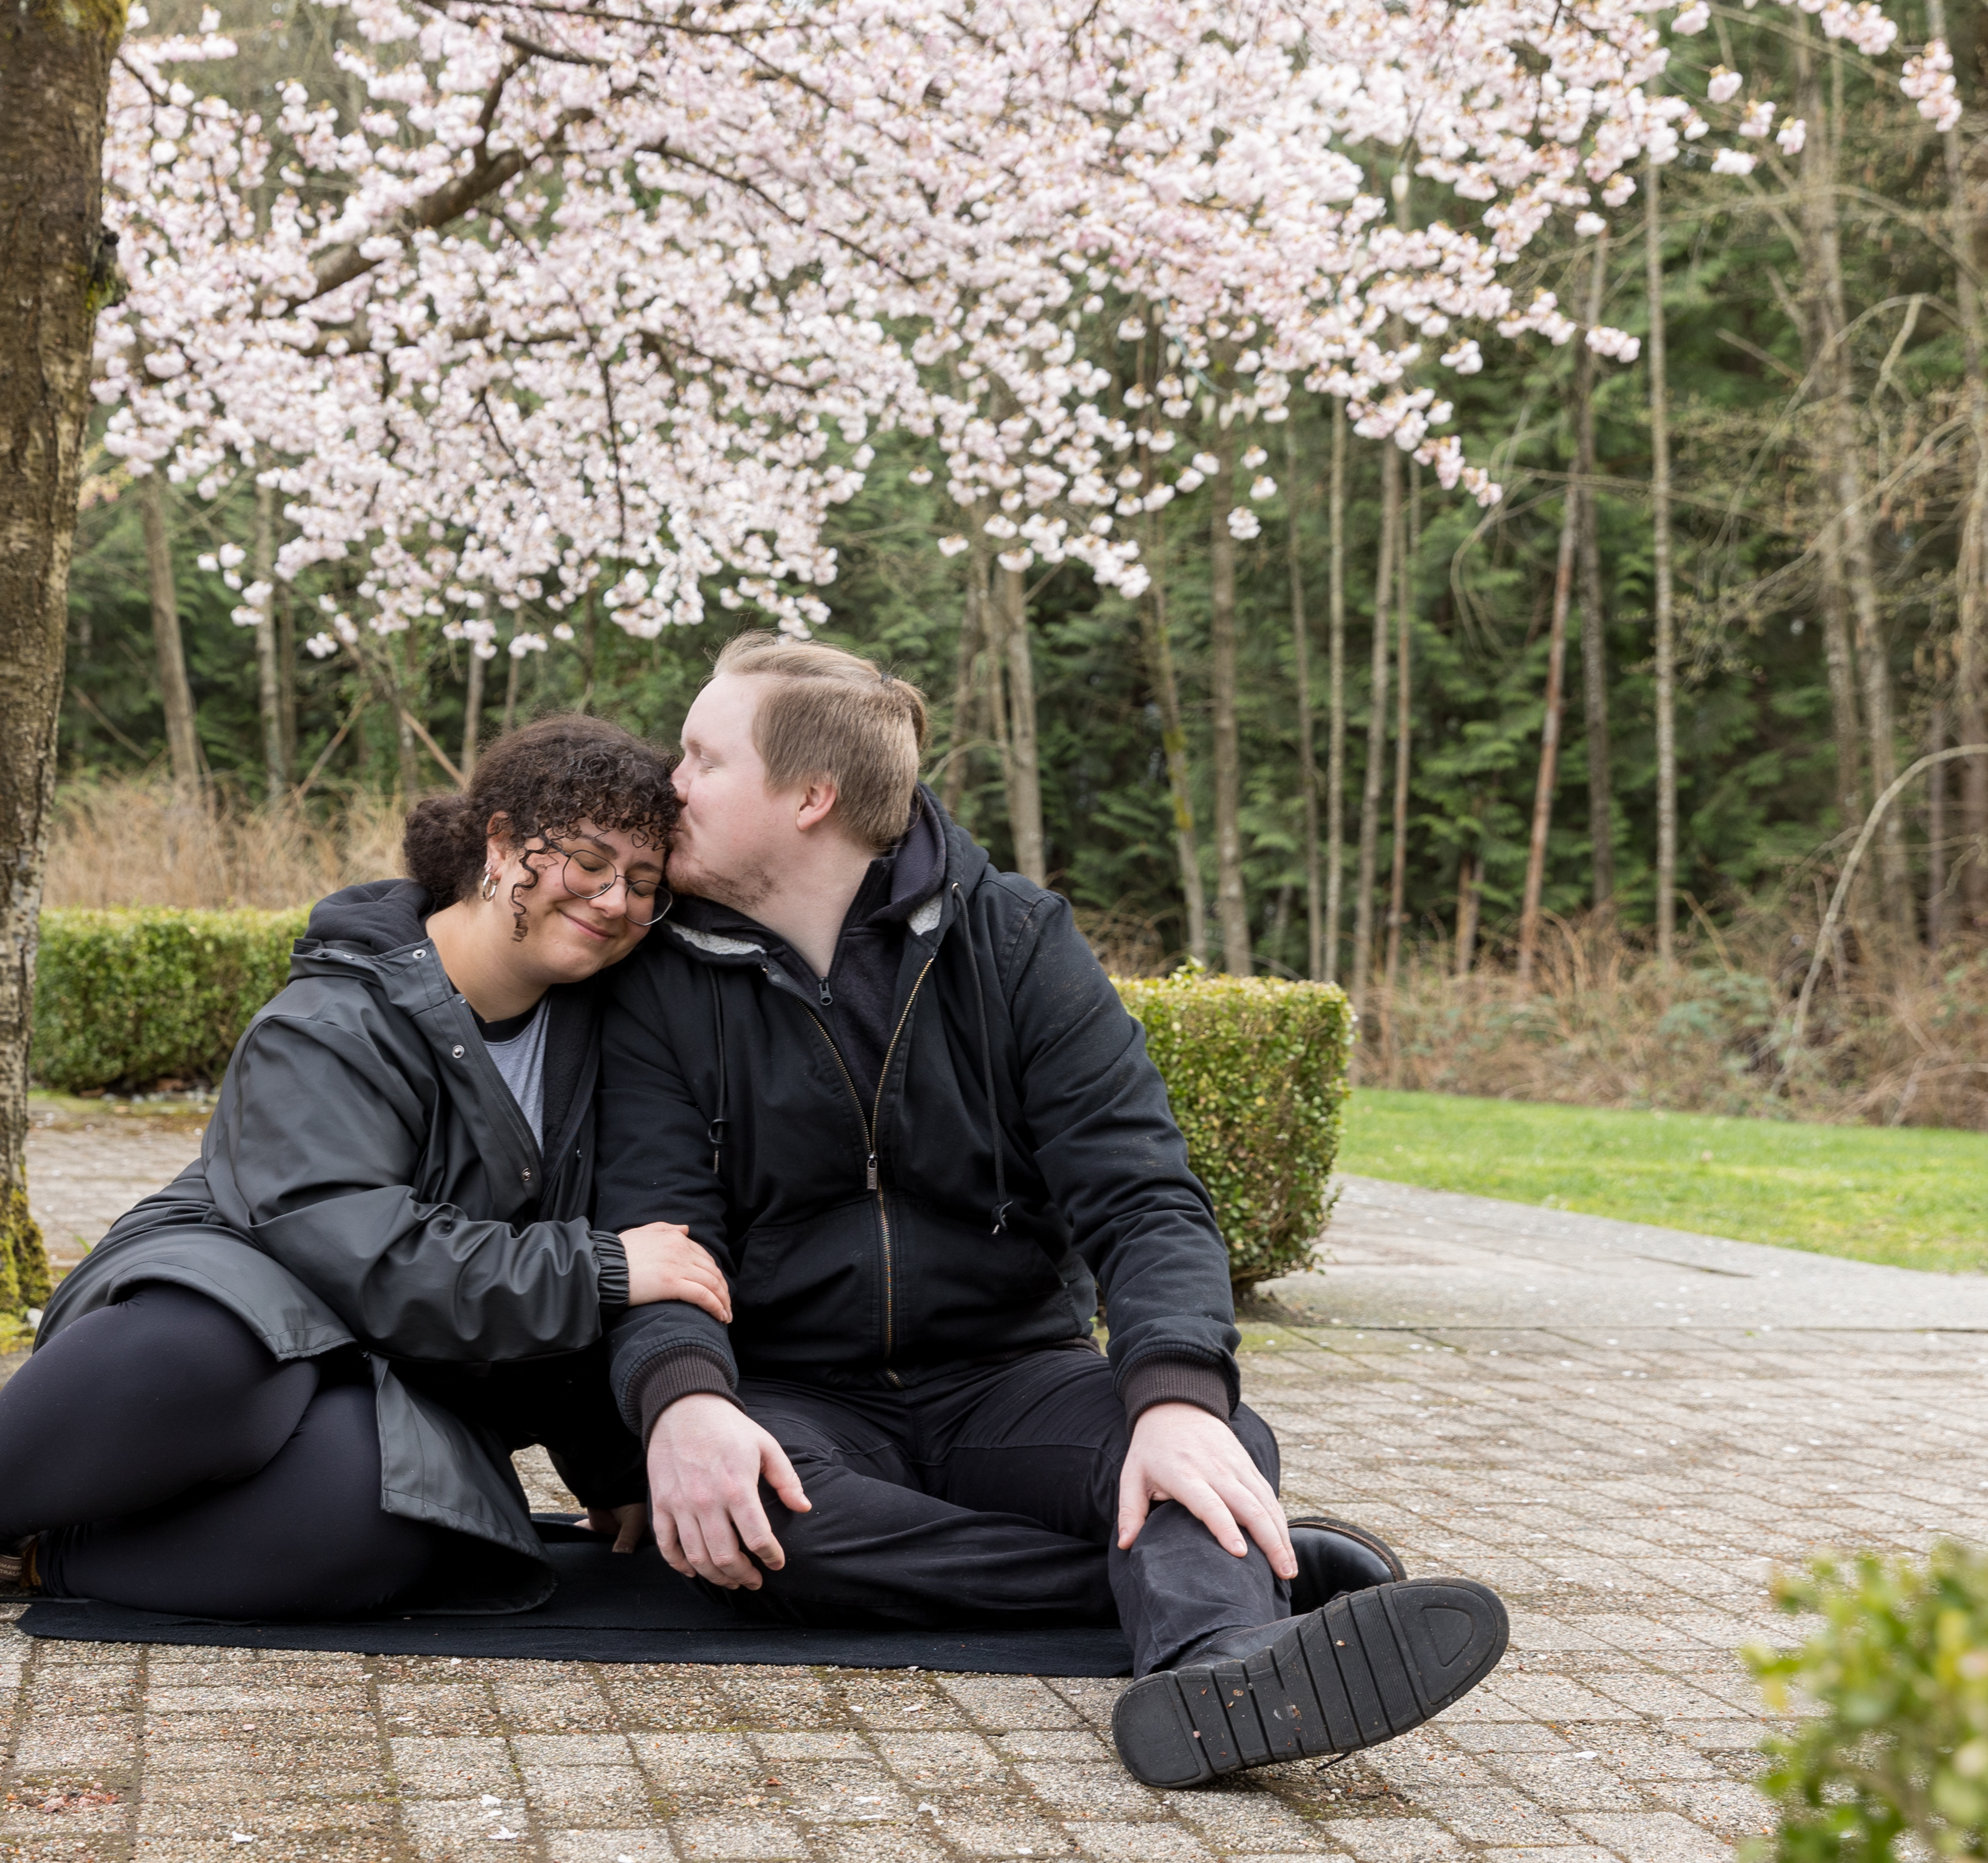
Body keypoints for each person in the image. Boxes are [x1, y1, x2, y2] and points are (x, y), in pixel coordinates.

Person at [594, 634, 1509, 1787]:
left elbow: (1144, 1193)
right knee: (755, 1527)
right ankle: (1232, 1582)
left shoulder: (1018, 943)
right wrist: (682, 1403)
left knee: (1210, 1445)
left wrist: (1176, 1398)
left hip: (1007, 1377)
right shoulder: (657, 983)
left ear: (809, 796)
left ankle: (1222, 1665)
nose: (667, 781)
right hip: (798, 1393)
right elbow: (654, 1230)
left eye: (701, 757)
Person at [0, 715, 735, 1624]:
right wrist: (599, 1267)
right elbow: (353, 1251)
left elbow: (582, 1229)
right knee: (220, 1344)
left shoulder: (611, 1038)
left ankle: (32, 1533)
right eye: (588, 862)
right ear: (502, 840)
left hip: (396, 1372)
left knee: (386, 1527)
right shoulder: (331, 1019)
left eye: (644, 882)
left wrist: (613, 1458)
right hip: (219, 1309)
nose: (614, 900)